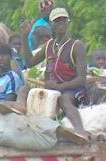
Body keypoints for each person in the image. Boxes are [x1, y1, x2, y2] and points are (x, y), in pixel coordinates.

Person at [19, 7, 89, 138]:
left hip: (71, 90)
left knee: (64, 100)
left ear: (68, 23)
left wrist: (59, 87)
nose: (61, 23)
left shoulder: (76, 46)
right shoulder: (49, 45)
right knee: (24, 89)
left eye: (63, 20)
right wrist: (24, 36)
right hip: (51, 89)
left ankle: (80, 131)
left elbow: (81, 80)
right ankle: (19, 114)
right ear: (51, 24)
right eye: (57, 21)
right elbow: (29, 63)